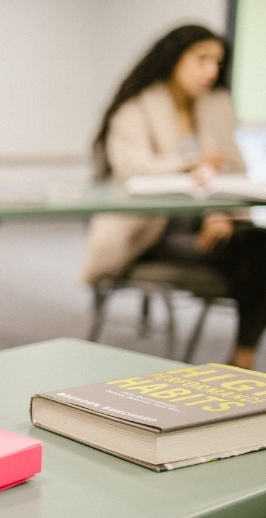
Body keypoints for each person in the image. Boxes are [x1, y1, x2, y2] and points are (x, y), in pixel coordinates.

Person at [83, 24, 266, 369]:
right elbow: (131, 169)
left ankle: (243, 355)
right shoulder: (136, 107)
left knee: (260, 245)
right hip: (152, 229)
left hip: (211, 224)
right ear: (173, 59)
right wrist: (189, 162)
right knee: (257, 258)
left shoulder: (216, 107)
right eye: (201, 60)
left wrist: (221, 214)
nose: (210, 71)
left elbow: (231, 172)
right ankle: (242, 362)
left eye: (217, 62)